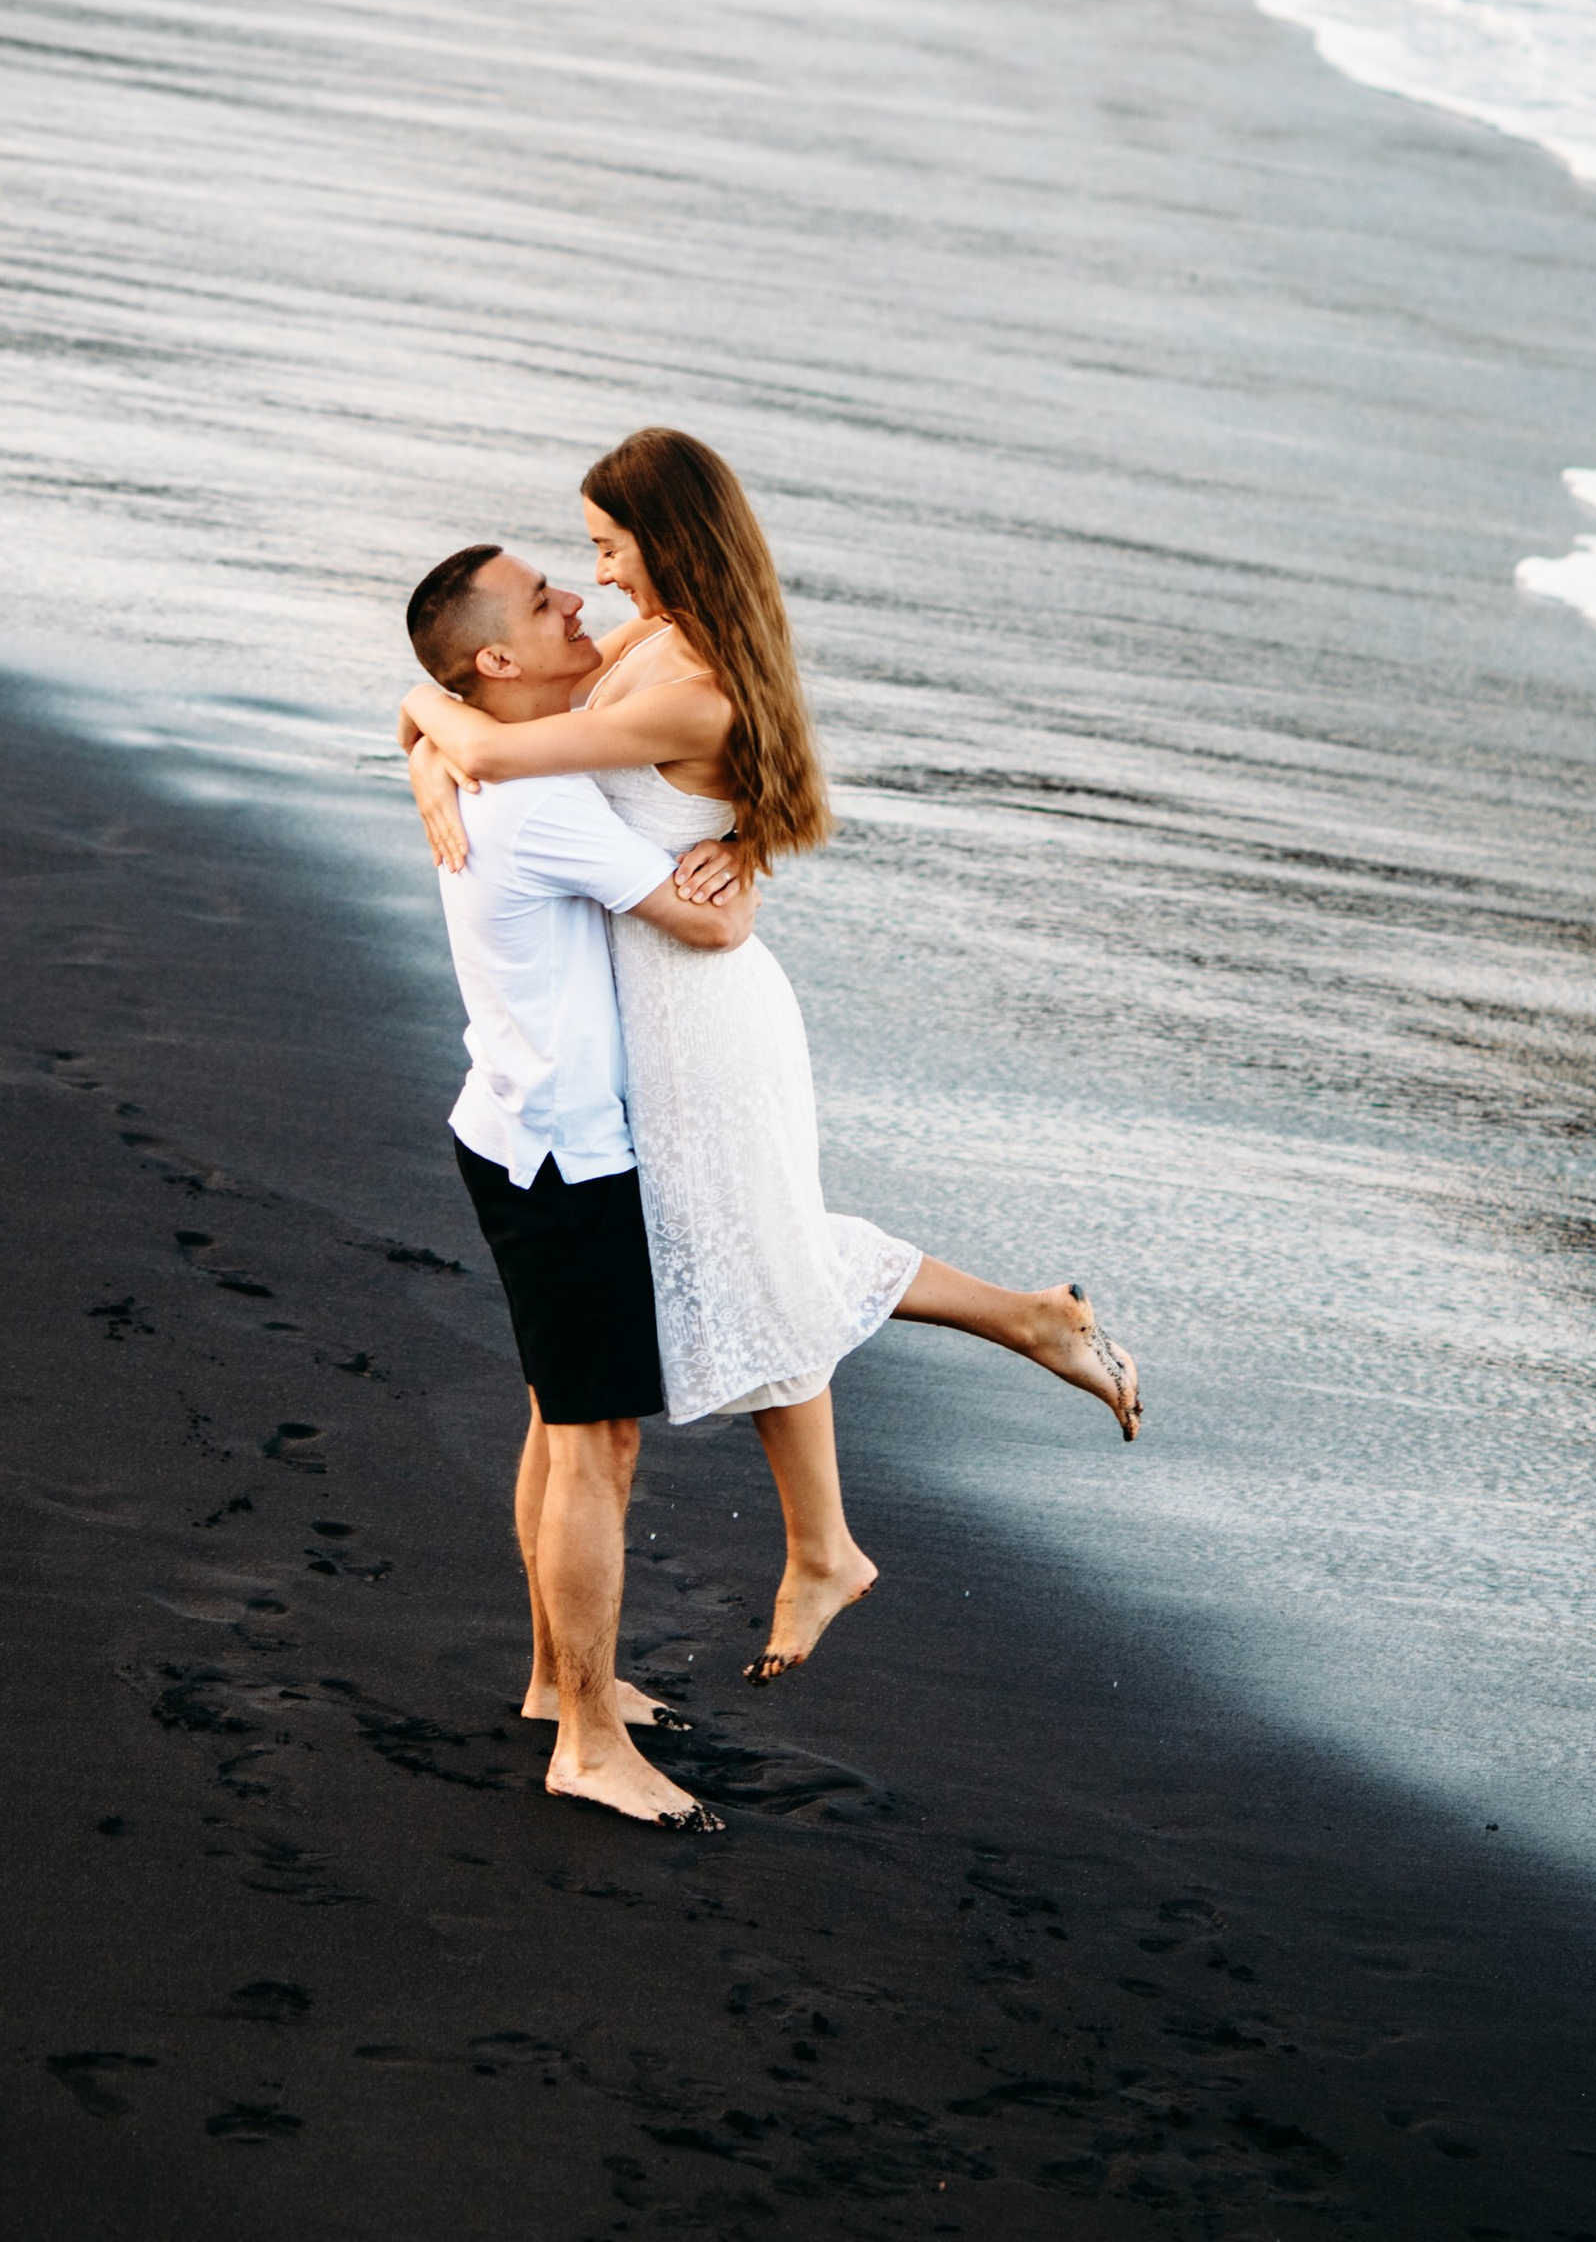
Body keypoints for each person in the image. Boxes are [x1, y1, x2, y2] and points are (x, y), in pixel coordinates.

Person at [403, 427, 1141, 1687]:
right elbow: (486, 701)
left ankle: (832, 1537)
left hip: (697, 1011)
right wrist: (428, 730)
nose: (596, 579)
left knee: (749, 1256)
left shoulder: (691, 686)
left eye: (607, 546)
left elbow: (488, 738)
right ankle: (1018, 1329)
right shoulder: (647, 641)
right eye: (583, 555)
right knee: (753, 1248)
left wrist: (432, 734)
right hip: (646, 1006)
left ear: (667, 541)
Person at [405, 536, 748, 1832]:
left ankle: (560, 1681)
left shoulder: (505, 761)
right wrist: (745, 862)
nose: (576, 596)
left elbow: (449, 718)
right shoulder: (538, 800)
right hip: (566, 1157)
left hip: (514, 1130)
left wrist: (424, 723)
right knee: (596, 1444)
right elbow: (708, 923)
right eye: (544, 599)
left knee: (566, 1424)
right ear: (497, 661)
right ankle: (588, 1742)